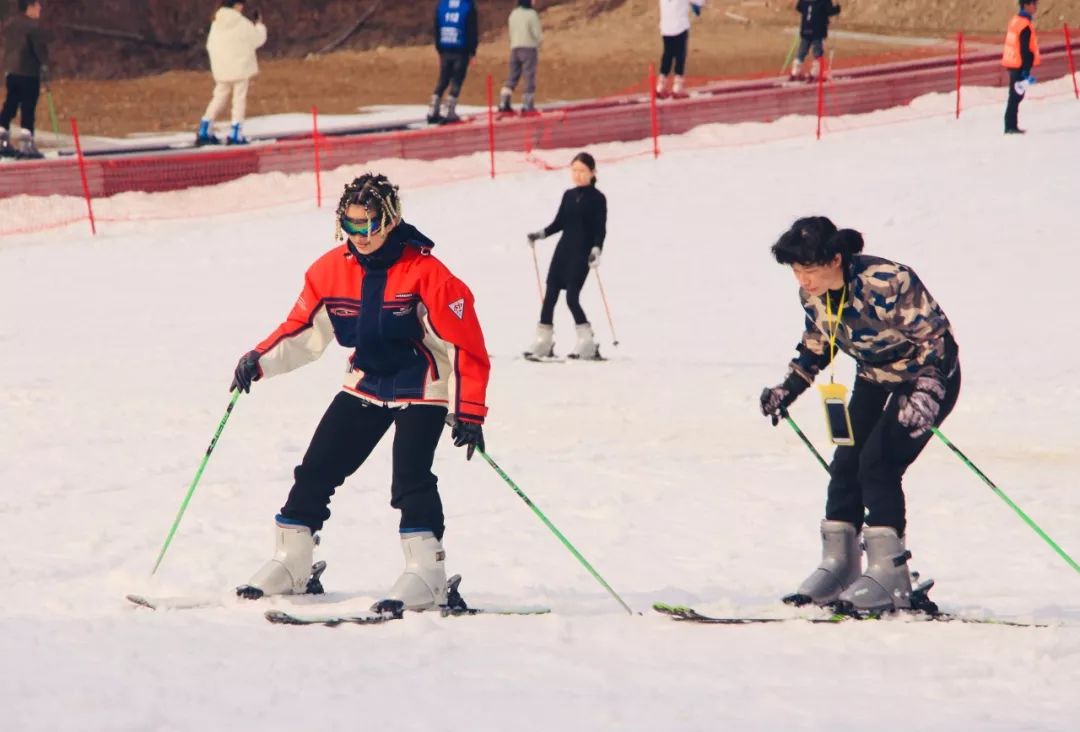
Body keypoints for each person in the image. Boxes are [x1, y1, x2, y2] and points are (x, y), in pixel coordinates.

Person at [231, 173, 490, 611]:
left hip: (421, 385)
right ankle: (291, 562)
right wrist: (258, 360)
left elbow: (463, 346)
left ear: (390, 221)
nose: (360, 236)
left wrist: (469, 411)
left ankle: (427, 574)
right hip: (366, 382)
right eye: (350, 226)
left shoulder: (429, 275)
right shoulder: (330, 271)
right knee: (316, 469)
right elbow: (301, 330)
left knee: (410, 479)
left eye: (368, 225)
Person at [759, 216, 961, 614]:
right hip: (873, 378)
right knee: (847, 461)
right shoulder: (813, 296)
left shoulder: (889, 280)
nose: (805, 280)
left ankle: (890, 574)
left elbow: (937, 342)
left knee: (878, 463)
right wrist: (788, 388)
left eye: (811, 270)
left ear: (836, 258)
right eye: (797, 271)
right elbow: (818, 344)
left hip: (925, 378)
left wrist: (927, 393)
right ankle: (840, 565)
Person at [525, 152, 608, 361]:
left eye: (582, 171)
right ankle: (543, 343)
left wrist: (596, 249)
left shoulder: (598, 199)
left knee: (572, 297)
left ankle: (587, 343)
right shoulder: (568, 195)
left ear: (592, 172)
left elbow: (600, 230)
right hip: (563, 251)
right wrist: (540, 234)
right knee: (550, 297)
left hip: (582, 254)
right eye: (574, 171)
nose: (578, 175)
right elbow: (559, 223)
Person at [195, 0, 267, 146]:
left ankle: (205, 126)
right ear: (235, 5)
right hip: (240, 68)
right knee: (239, 99)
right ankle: (235, 132)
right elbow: (257, 39)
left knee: (219, 97)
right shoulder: (241, 22)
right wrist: (259, 25)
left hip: (222, 68)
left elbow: (210, 45)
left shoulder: (216, 23)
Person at [0, 0, 48, 160]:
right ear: (30, 6)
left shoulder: (10, 24)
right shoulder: (33, 27)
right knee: (28, 106)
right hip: (28, 72)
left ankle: (2, 136)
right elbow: (39, 50)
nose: (40, 8)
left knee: (10, 104)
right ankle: (26, 143)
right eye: (37, 5)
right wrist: (45, 66)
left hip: (11, 71)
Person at [429, 0, 479, 124]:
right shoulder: (467, 5)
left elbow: (437, 26)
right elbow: (471, 29)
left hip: (445, 47)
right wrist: (472, 51)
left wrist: (439, 49)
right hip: (461, 49)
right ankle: (449, 109)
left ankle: (433, 107)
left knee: (443, 79)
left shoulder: (442, 5)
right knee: (457, 79)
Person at [1002, 0, 1041, 135]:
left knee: (1015, 95)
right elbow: (1024, 49)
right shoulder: (1024, 25)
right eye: (1034, 4)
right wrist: (1025, 70)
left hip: (1012, 62)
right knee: (1016, 95)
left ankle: (1011, 125)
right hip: (1018, 64)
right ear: (1026, 5)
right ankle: (1010, 126)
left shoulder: (1016, 20)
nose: (1036, 7)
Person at [498, 0, 542, 115]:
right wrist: (539, 43)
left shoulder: (513, 14)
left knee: (513, 76)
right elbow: (537, 34)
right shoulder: (532, 14)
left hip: (515, 47)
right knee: (529, 76)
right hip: (529, 48)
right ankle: (528, 104)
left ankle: (504, 100)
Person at [656, 0, 704, 99]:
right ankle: (677, 87)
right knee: (680, 56)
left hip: (666, 28)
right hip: (679, 26)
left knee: (667, 55)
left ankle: (660, 86)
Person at [790, 0, 840, 82]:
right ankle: (814, 74)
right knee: (818, 53)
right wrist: (837, 8)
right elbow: (830, 11)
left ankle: (795, 72)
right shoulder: (824, 1)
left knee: (802, 51)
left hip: (805, 28)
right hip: (818, 31)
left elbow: (798, 7)